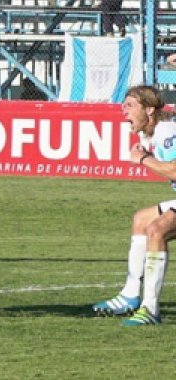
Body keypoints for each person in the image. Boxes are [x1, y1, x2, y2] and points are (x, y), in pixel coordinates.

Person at [92, 85, 176, 326]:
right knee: (142, 220)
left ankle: (150, 308)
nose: (123, 111)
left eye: (130, 105)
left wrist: (143, 159)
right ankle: (130, 295)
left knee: (157, 229)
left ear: (149, 110)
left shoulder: (166, 131)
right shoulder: (151, 131)